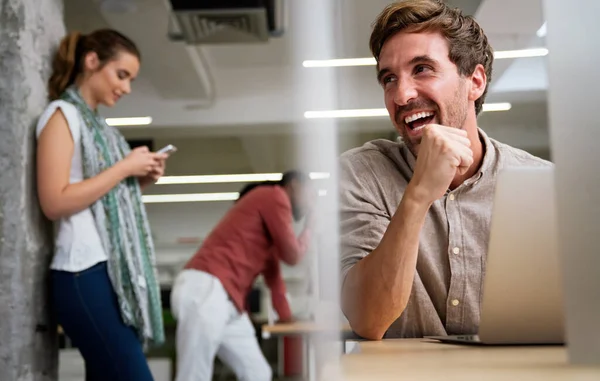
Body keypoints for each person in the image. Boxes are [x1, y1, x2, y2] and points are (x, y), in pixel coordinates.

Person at [339, 0, 552, 341]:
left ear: (476, 82)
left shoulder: (543, 184)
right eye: (389, 78)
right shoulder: (363, 174)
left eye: (422, 68)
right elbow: (368, 318)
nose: (401, 94)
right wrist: (419, 194)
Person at [36, 29, 167, 380]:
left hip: (106, 271)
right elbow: (54, 200)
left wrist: (136, 179)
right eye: (121, 75)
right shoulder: (62, 115)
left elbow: (98, 191)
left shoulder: (102, 130)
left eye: (131, 80)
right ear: (91, 61)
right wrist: (123, 167)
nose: (126, 88)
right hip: (82, 271)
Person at [170, 170, 314, 381]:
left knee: (258, 373)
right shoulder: (274, 195)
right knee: (194, 376)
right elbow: (292, 255)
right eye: (311, 195)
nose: (311, 203)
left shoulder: (269, 237)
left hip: (228, 302)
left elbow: (275, 280)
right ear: (295, 185)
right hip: (207, 288)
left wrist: (287, 318)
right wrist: (311, 227)